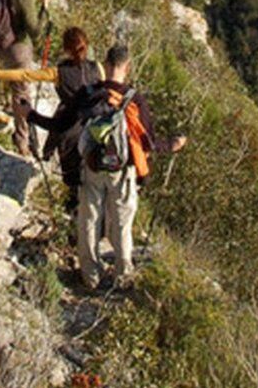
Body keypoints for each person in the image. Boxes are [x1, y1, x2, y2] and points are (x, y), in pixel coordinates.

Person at [75, 44, 186, 291]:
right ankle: (122, 275)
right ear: (128, 67)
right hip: (122, 170)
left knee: (89, 218)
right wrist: (173, 145)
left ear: (105, 64)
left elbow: (67, 122)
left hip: (92, 164)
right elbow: (149, 140)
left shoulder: (90, 93)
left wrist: (30, 115)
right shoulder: (133, 99)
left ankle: (90, 275)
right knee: (123, 221)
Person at [0, 25, 103, 208]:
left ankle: (73, 221)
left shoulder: (58, 72)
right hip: (96, 132)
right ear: (86, 45)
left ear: (65, 49)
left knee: (73, 185)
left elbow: (26, 74)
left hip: (70, 133)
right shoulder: (97, 68)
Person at [0, 0, 51, 156]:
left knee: (0, 83)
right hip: (18, 48)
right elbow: (35, 30)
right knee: (22, 95)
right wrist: (45, 7)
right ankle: (22, 142)